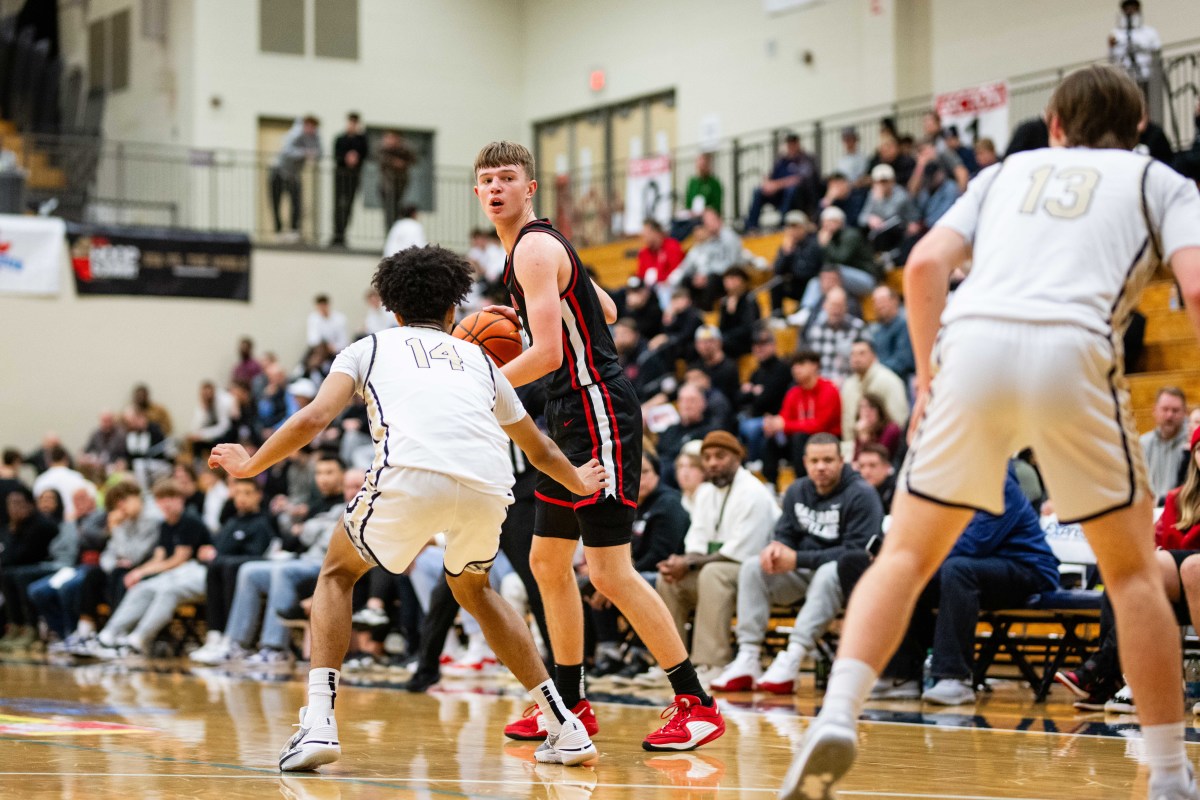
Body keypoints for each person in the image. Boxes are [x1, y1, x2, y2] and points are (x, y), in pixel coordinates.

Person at [783, 65, 1200, 800]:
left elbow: (922, 266)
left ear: (1056, 124)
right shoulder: (1158, 179)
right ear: (1137, 131)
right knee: (1135, 576)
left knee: (907, 554)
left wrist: (925, 376)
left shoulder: (1007, 173)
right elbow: (1195, 286)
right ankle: (1169, 773)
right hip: (1075, 348)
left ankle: (840, 712)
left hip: (970, 345)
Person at [209, 243, 604, 770]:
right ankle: (565, 726)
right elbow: (539, 447)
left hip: (411, 474)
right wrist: (578, 481)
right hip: (489, 486)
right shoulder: (482, 360)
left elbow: (312, 419)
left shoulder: (368, 347)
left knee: (336, 574)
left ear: (392, 310)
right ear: (453, 311)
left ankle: (319, 723)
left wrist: (250, 464)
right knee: (477, 590)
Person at [475, 140, 726, 750]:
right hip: (567, 412)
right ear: (479, 193)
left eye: (508, 177)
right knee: (545, 563)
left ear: (529, 188)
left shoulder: (532, 248)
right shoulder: (532, 250)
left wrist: (474, 381)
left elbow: (549, 353)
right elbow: (605, 307)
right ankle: (570, 705)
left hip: (595, 410)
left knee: (610, 572)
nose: (496, 188)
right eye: (486, 180)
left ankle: (695, 703)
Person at [710, 434, 884, 694]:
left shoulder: (861, 494)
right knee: (752, 567)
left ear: (841, 461)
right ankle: (748, 656)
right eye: (814, 460)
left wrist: (797, 559)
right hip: (803, 575)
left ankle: (793, 656)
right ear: (805, 462)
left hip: (845, 581)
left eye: (828, 460)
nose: (821, 467)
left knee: (829, 571)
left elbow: (855, 554)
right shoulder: (797, 490)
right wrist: (776, 546)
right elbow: (785, 532)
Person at [656, 431, 779, 674]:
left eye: (720, 456)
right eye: (708, 457)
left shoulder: (754, 493)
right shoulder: (705, 492)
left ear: (738, 457)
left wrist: (689, 562)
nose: (712, 462)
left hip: (758, 573)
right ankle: (671, 664)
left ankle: (712, 663)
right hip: (718, 568)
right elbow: (697, 542)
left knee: (713, 573)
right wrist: (681, 562)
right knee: (669, 578)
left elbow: (739, 553)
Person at [85, 479, 211, 658]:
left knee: (168, 591)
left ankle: (139, 639)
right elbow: (159, 558)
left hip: (198, 573)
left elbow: (178, 559)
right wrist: (139, 572)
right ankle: (109, 635)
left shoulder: (190, 521)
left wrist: (140, 571)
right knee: (141, 586)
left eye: (172, 497)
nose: (166, 503)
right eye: (162, 498)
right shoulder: (166, 525)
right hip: (176, 574)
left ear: (181, 499)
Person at [839, 340, 909, 450]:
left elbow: (899, 421)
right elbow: (846, 422)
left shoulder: (890, 381)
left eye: (862, 353)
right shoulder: (848, 385)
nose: (856, 358)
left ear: (874, 356)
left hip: (884, 447)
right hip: (853, 446)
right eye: (853, 354)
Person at [744, 133, 819, 232]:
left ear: (798, 144)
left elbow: (799, 179)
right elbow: (771, 176)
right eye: (789, 143)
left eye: (793, 143)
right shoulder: (782, 160)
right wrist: (767, 184)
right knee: (758, 191)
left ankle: (782, 223)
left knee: (791, 190)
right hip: (779, 194)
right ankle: (752, 226)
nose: (791, 146)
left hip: (799, 197)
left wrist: (777, 185)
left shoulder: (805, 159)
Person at [269, 115, 321, 242]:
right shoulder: (295, 134)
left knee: (296, 202)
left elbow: (320, 152)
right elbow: (286, 150)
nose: (310, 130)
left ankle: (294, 230)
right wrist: (304, 153)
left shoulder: (315, 138)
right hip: (279, 172)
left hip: (294, 174)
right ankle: (278, 230)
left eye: (313, 127)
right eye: (308, 126)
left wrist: (312, 152)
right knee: (276, 201)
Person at [1142, 387, 1188, 501]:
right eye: (1165, 409)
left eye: (1175, 410)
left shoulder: (1192, 445)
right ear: (1154, 410)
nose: (1169, 416)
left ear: (1185, 413)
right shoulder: (1143, 443)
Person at [331, 112, 368, 247]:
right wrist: (346, 158)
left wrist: (355, 158)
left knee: (348, 206)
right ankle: (336, 234)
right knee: (338, 205)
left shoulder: (362, 140)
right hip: (341, 175)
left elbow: (365, 155)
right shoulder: (340, 138)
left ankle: (343, 234)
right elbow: (336, 155)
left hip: (353, 177)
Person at [377, 131, 415, 232]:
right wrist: (394, 162)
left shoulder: (403, 149)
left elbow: (413, 159)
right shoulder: (383, 149)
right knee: (389, 212)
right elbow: (380, 159)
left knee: (397, 210)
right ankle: (390, 233)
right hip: (387, 186)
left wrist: (401, 147)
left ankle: (395, 232)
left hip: (400, 185)